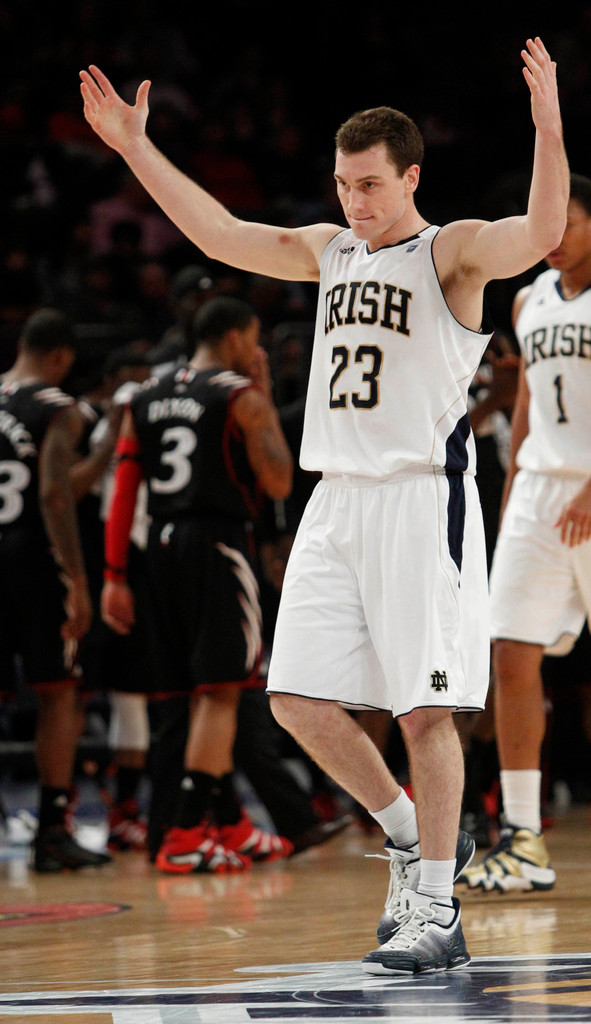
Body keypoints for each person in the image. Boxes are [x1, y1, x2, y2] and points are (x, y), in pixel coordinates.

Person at [80, 36, 568, 972]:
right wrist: (137, 150)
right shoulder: (331, 249)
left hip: (419, 501)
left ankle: (436, 906)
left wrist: (546, 124)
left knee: (425, 714)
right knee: (294, 700)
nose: (353, 201)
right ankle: (407, 833)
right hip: (334, 501)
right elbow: (221, 234)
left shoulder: (450, 252)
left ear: (409, 177)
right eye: (343, 185)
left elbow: (539, 233)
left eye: (370, 186)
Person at [101, 296, 295, 872]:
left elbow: (124, 491)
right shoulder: (237, 395)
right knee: (222, 689)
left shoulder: (146, 396)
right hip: (216, 543)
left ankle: (227, 824)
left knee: (182, 697)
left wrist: (114, 575)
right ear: (236, 338)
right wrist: (260, 391)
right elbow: (280, 481)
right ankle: (187, 832)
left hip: (155, 547)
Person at [459, 173, 591, 893]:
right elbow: (533, 411)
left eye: (566, 221)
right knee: (509, 651)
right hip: (540, 492)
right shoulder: (525, 299)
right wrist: (511, 501)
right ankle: (523, 837)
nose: (551, 234)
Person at [0, 308, 111, 871]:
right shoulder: (58, 408)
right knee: (57, 692)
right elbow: (54, 494)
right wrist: (77, 579)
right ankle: (50, 831)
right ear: (61, 358)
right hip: (34, 566)